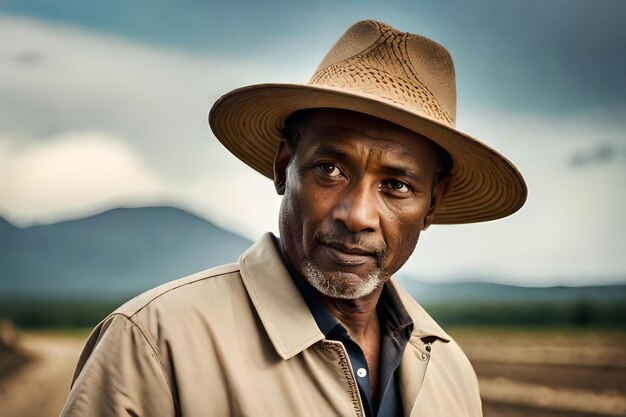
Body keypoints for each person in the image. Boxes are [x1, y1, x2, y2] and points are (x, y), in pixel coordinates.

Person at [61, 20, 526, 417]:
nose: (357, 215)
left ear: (433, 203)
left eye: (397, 186)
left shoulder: (450, 374)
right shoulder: (155, 345)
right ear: (284, 167)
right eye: (331, 170)